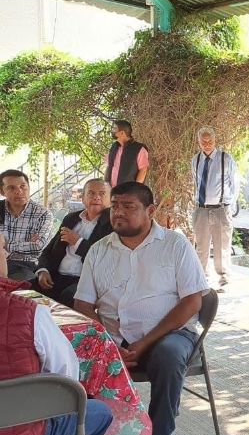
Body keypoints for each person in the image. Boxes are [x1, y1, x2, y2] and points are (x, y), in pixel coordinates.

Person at [74, 182, 208, 435]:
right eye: (116, 206)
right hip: (114, 339)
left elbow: (192, 302)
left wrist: (144, 343)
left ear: (150, 210)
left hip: (169, 336)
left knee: (168, 358)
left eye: (128, 207)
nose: (119, 213)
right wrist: (109, 344)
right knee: (66, 353)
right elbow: (83, 304)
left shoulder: (175, 244)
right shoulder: (99, 250)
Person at [0, 277, 113, 435]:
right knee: (100, 412)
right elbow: (67, 383)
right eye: (2, 247)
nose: (6, 252)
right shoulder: (29, 314)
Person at [33, 179, 112, 308]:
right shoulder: (71, 218)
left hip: (85, 281)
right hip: (57, 275)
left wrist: (78, 242)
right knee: (24, 291)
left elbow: (105, 258)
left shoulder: (112, 224)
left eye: (102, 194)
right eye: (91, 193)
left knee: (69, 296)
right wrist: (42, 270)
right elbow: (48, 250)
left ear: (110, 200)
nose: (96, 197)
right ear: (83, 198)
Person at [192, 127, 238, 291]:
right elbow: (196, 184)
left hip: (221, 209)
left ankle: (223, 279)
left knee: (221, 247)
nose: (207, 144)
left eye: (209, 141)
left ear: (215, 140)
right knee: (202, 247)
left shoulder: (226, 159)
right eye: (203, 141)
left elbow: (234, 184)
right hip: (201, 209)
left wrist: (229, 208)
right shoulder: (195, 160)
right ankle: (201, 280)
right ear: (199, 142)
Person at [0, 169, 53, 281]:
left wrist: (4, 244)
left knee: (22, 287)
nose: (19, 191)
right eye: (11, 188)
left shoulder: (42, 213)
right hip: (1, 261)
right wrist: (26, 244)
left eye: (23, 186)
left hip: (25, 265)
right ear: (2, 192)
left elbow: (38, 246)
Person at [104, 120, 150, 188]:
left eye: (114, 128)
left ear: (122, 133)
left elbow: (143, 170)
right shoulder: (114, 147)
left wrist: (135, 188)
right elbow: (109, 166)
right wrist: (105, 184)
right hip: (112, 191)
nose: (112, 130)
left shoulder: (139, 149)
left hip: (128, 192)